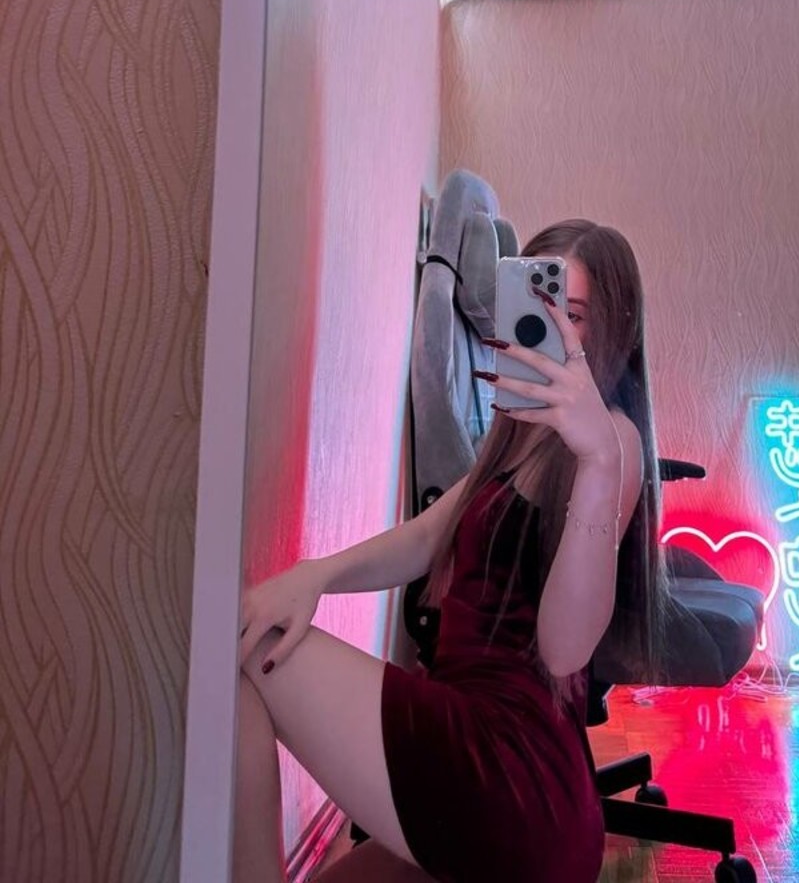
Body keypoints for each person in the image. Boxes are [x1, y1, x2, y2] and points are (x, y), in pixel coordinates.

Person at [234, 220, 669, 883]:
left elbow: (564, 653)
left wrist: (599, 462)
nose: (552, 330)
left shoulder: (614, 442)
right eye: (538, 305)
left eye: (573, 315)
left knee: (243, 642)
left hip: (514, 778)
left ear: (614, 328)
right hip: (476, 745)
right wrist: (315, 575)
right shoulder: (517, 432)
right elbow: (427, 536)